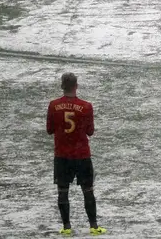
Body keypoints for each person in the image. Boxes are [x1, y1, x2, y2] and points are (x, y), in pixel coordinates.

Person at [47, 73, 106, 236]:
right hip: (81, 155)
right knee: (88, 191)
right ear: (76, 86)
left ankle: (66, 227)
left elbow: (49, 130)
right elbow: (91, 131)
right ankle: (94, 227)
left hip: (62, 155)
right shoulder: (86, 106)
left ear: (62, 86)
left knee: (63, 192)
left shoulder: (53, 105)